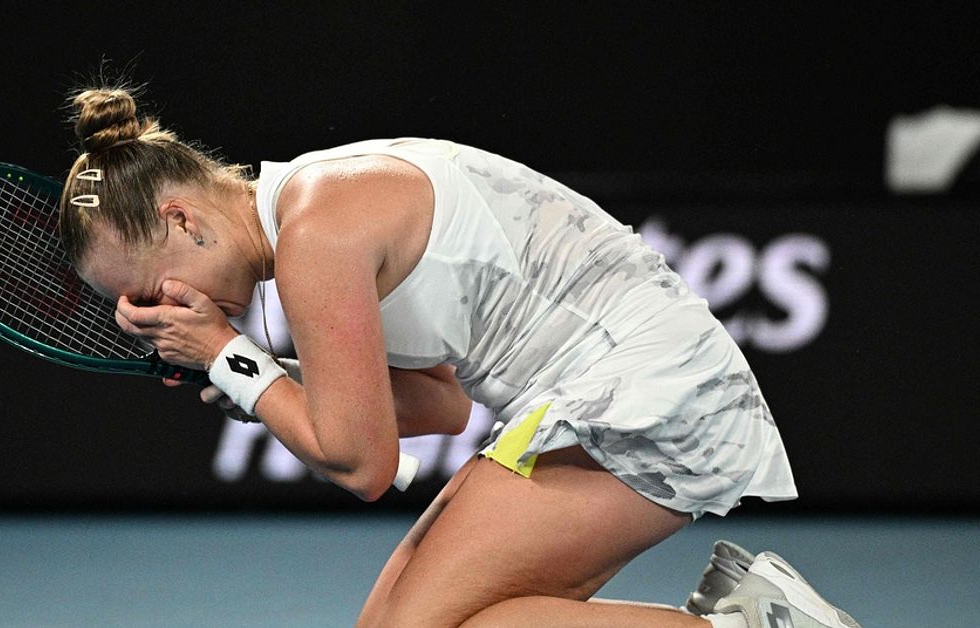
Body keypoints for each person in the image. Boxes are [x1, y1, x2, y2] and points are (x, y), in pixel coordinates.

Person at [58, 83, 861, 628]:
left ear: (181, 220)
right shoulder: (308, 216)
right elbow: (440, 405)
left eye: (153, 289)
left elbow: (361, 464)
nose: (159, 313)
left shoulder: (316, 235)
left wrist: (236, 359)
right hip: (612, 390)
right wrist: (272, 376)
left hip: (641, 388)